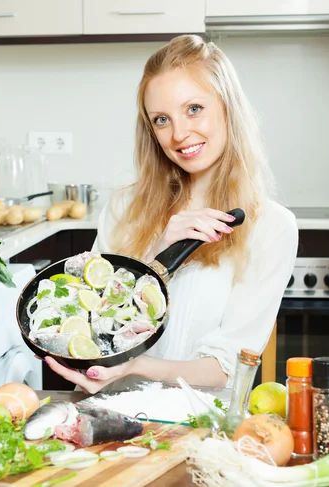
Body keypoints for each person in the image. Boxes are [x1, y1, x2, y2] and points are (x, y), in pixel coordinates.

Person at [45, 34, 298, 394]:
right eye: (162, 119)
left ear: (228, 107)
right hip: (112, 407)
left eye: (194, 109)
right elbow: (90, 325)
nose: (179, 134)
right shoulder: (123, 208)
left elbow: (227, 366)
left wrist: (140, 366)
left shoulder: (271, 227)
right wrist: (156, 259)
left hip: (202, 427)